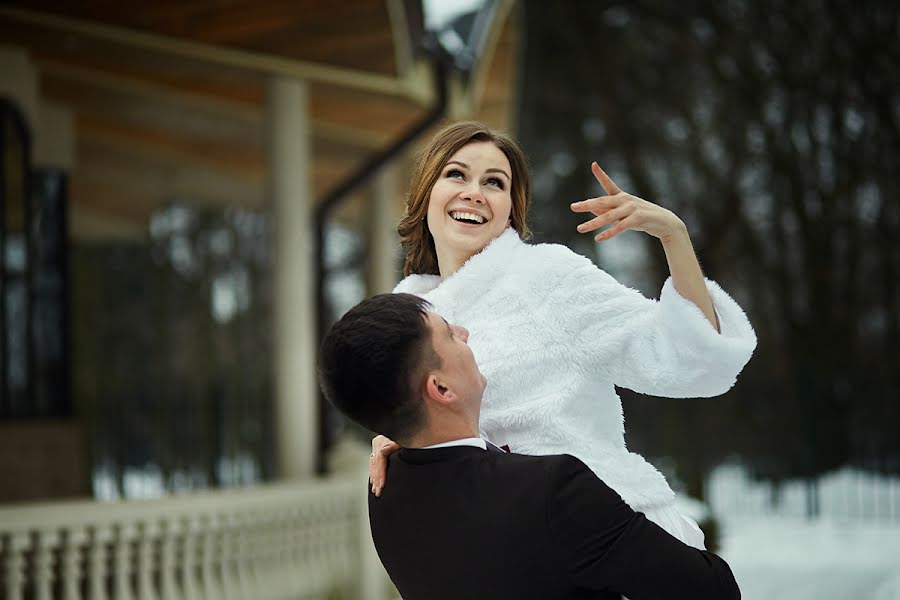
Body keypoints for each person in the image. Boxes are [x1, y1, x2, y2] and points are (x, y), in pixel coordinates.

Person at [369, 121, 757, 548]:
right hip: (509, 557)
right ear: (426, 192)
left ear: (510, 209)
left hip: (611, 544)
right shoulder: (409, 317)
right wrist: (404, 439)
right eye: (456, 174)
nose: (474, 192)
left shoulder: (546, 278)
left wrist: (674, 236)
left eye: (494, 182)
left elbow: (691, 362)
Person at [319, 293, 741, 600]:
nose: (465, 333)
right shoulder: (555, 490)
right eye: (449, 333)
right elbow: (713, 591)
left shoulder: (385, 492)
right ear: (440, 387)